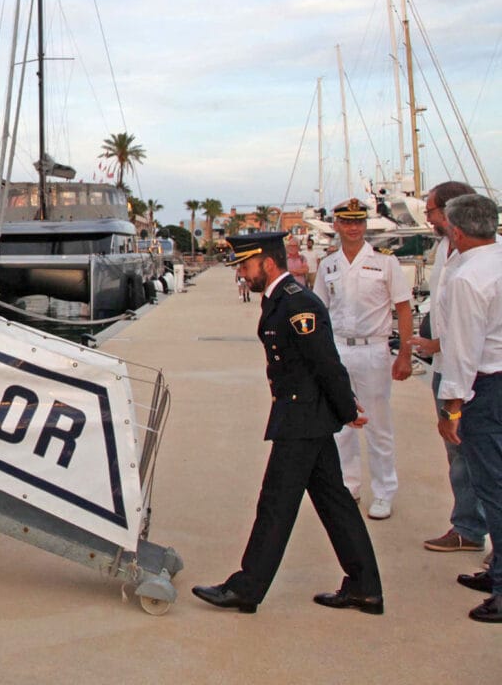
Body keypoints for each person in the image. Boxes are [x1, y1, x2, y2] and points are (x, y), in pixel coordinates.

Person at [192, 232, 383, 615]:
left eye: (246, 266)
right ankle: (364, 588)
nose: (242, 274)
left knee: (276, 504)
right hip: (302, 416)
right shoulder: (280, 299)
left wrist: (347, 409)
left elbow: (325, 362)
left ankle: (247, 588)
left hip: (302, 419)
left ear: (267, 262)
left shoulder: (298, 304)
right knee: (335, 503)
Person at [315, 198, 414, 520]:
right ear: (336, 225)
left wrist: (405, 354)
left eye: (358, 221)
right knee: (341, 425)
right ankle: (349, 486)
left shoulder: (385, 262)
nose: (353, 227)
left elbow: (403, 309)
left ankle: (384, 492)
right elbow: (320, 312)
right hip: (339, 349)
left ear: (365, 224)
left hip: (374, 350)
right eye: (347, 222)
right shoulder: (328, 265)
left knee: (378, 425)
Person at [432, 193, 502, 623]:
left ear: (456, 231)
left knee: (492, 486)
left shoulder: (466, 277)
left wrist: (451, 408)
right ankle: (496, 569)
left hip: (486, 388)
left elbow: (462, 351)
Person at [410, 181, 487, 553]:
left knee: (484, 455)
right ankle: (468, 526)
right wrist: (435, 343)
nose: (428, 219)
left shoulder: (483, 259)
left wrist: (442, 344)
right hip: (446, 364)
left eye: (431, 212)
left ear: (451, 211)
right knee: (458, 453)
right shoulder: (444, 249)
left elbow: (475, 323)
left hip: (476, 371)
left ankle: (487, 538)